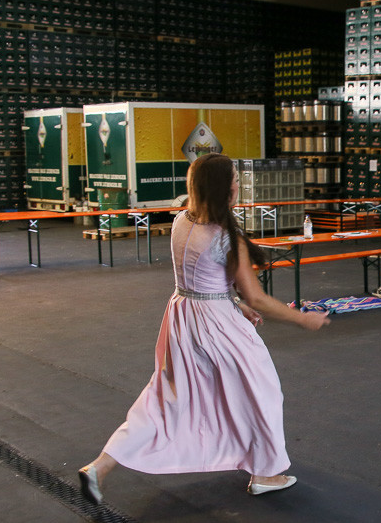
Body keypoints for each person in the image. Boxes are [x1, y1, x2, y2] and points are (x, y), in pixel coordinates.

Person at [78, 153, 329, 505]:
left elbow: (201, 280)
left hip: (183, 316)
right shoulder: (227, 237)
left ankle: (100, 467)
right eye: (235, 182)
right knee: (262, 390)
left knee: (164, 399)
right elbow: (256, 298)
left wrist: (232, 302)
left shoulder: (182, 221)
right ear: (224, 189)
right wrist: (304, 318)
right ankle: (266, 472)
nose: (239, 187)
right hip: (215, 324)